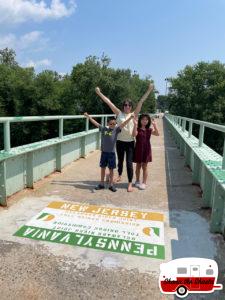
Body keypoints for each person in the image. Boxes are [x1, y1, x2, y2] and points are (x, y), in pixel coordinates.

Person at [95, 83, 154, 192]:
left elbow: (141, 101)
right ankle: (119, 175)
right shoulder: (118, 113)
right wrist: (99, 93)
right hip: (119, 142)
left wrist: (149, 90)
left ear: (131, 107)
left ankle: (130, 183)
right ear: (123, 106)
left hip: (130, 142)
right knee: (120, 161)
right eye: (125, 105)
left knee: (129, 163)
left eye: (129, 105)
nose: (127, 107)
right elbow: (108, 102)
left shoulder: (134, 114)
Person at [84, 113, 134, 192]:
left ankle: (111, 185)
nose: (112, 125)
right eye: (111, 124)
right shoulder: (104, 129)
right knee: (103, 168)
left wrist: (130, 118)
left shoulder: (116, 129)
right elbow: (95, 123)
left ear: (116, 124)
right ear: (108, 123)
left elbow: (124, 124)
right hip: (104, 153)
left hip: (111, 153)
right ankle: (101, 184)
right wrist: (88, 117)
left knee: (111, 169)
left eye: (114, 124)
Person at [132, 114, 159, 190]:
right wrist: (135, 125)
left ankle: (144, 183)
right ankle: (137, 180)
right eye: (143, 119)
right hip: (138, 149)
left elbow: (157, 134)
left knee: (145, 166)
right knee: (138, 166)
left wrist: (155, 125)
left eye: (146, 120)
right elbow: (133, 135)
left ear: (148, 121)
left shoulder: (149, 130)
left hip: (146, 149)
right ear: (140, 120)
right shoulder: (137, 128)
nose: (144, 121)